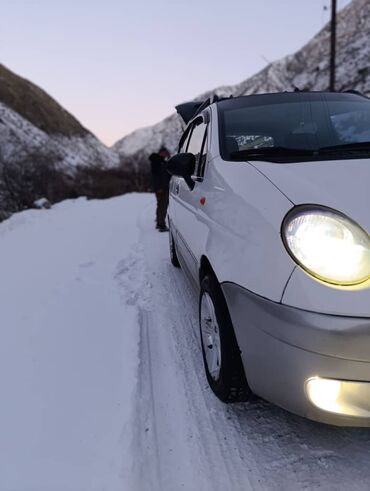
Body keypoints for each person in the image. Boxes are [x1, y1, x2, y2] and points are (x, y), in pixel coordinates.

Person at [149, 146, 171, 232]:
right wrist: (159, 188)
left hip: (163, 187)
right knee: (163, 206)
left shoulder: (160, 161)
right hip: (161, 188)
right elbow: (155, 176)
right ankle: (161, 225)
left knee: (160, 205)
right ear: (161, 153)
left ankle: (159, 222)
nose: (166, 154)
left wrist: (168, 158)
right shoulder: (157, 162)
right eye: (165, 153)